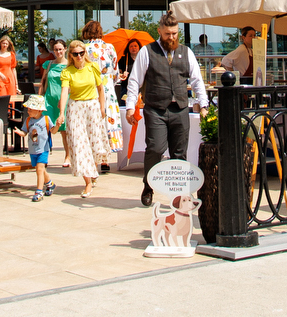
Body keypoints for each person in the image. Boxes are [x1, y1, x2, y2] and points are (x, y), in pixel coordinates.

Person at [126, 14, 208, 206]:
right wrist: (130, 107)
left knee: (179, 153)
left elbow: (197, 80)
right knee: (155, 149)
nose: (171, 37)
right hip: (156, 109)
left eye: (174, 33)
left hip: (180, 109)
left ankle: (180, 195)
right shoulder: (147, 52)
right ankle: (148, 185)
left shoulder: (186, 52)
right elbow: (135, 81)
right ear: (159, 31)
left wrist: (203, 104)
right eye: (167, 34)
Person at [57, 40, 113, 198]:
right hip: (75, 107)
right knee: (78, 144)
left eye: (81, 53)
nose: (79, 56)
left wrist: (102, 108)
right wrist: (61, 113)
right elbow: (64, 92)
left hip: (92, 106)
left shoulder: (92, 67)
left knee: (94, 143)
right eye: (75, 54)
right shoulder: (67, 72)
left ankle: (93, 170)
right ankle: (87, 181)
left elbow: (100, 89)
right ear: (71, 55)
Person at [79, 25, 123, 165]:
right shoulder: (109, 48)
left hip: (90, 89)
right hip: (108, 88)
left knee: (92, 122)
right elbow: (115, 72)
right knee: (107, 121)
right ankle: (105, 160)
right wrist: (110, 81)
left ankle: (93, 158)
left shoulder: (84, 49)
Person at [23, 92, 56, 201]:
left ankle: (39, 192)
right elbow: (24, 132)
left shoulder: (46, 119)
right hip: (33, 149)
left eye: (31, 109)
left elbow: (53, 131)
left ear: (39, 110)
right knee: (39, 169)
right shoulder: (28, 120)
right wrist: (20, 132)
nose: (28, 111)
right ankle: (50, 183)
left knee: (40, 169)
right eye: (28, 109)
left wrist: (58, 125)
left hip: (43, 149)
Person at [0, 34, 18, 100]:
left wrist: (16, 84)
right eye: (3, 43)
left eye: (6, 44)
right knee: (1, 97)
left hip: (10, 79)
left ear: (9, 45)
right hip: (0, 79)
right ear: (0, 43)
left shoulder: (12, 54)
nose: (5, 45)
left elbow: (13, 69)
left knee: (11, 99)